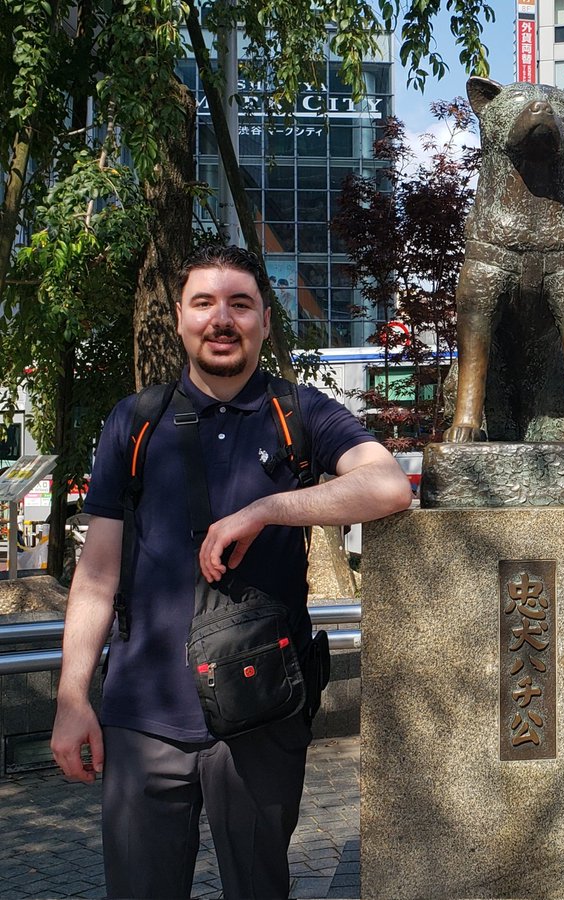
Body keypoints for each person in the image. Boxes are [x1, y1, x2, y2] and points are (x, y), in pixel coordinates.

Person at [49, 245, 412, 899]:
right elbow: (97, 575)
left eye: (240, 304)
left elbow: (387, 488)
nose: (222, 318)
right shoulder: (134, 422)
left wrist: (269, 509)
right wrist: (73, 698)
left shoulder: (300, 413)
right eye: (204, 303)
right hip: (142, 714)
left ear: (264, 322)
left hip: (264, 708)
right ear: (180, 319)